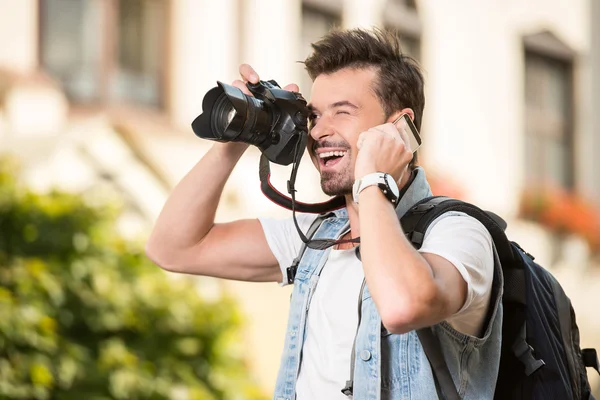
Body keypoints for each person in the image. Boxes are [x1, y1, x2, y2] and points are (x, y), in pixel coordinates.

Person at [146, 28, 502, 400]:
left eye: (342, 112)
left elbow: (401, 306)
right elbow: (172, 248)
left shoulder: (459, 235)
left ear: (400, 126)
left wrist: (372, 181)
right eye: (314, 115)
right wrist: (241, 133)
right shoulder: (316, 240)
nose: (319, 132)